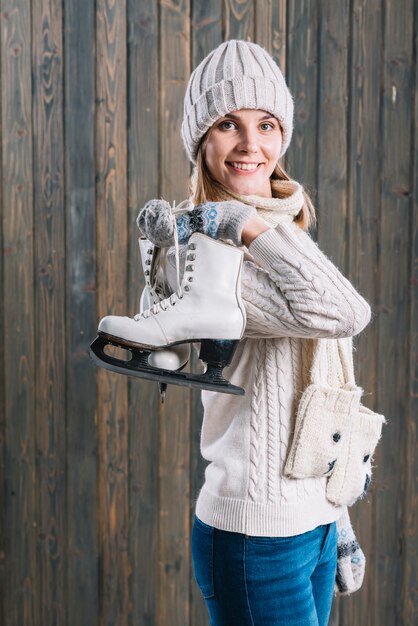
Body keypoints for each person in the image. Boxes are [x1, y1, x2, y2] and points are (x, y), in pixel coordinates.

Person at [111, 40, 373, 625]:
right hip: (258, 534)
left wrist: (337, 519)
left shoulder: (279, 234)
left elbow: (306, 402)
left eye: (267, 124)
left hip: (312, 522)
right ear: (201, 141)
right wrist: (241, 223)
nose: (251, 145)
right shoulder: (203, 254)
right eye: (228, 124)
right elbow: (344, 311)